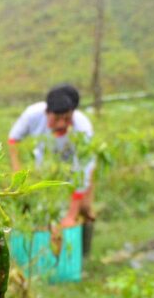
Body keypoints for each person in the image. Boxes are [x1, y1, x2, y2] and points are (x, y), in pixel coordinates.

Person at [7, 84, 95, 229]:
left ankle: (84, 245)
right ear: (47, 112)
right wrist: (17, 168)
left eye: (67, 119)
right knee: (43, 211)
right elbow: (13, 139)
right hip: (44, 171)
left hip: (73, 172)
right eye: (57, 119)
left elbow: (83, 171)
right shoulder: (32, 114)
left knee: (83, 208)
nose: (61, 124)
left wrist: (71, 216)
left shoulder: (82, 129)